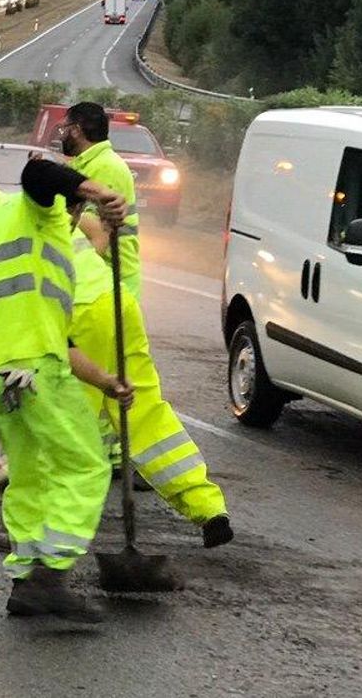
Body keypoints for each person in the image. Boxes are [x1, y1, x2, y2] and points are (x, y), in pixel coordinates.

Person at [0, 161, 129, 622]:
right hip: (33, 372)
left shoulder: (34, 238)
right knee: (86, 465)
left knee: (29, 475)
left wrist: (105, 381)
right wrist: (101, 190)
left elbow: (59, 338)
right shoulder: (27, 211)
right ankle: (50, 575)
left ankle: (24, 580)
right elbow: (38, 172)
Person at [70, 214, 233, 548]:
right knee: (144, 408)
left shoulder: (2, 228)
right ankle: (208, 506)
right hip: (112, 299)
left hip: (77, 311)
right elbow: (98, 231)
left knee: (66, 420)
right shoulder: (55, 210)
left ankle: (44, 532)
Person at [59, 102, 140, 298]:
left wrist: (72, 278)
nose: (62, 135)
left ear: (76, 130)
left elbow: (96, 235)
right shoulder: (88, 164)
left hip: (109, 282)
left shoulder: (105, 166)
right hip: (100, 280)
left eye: (64, 129)